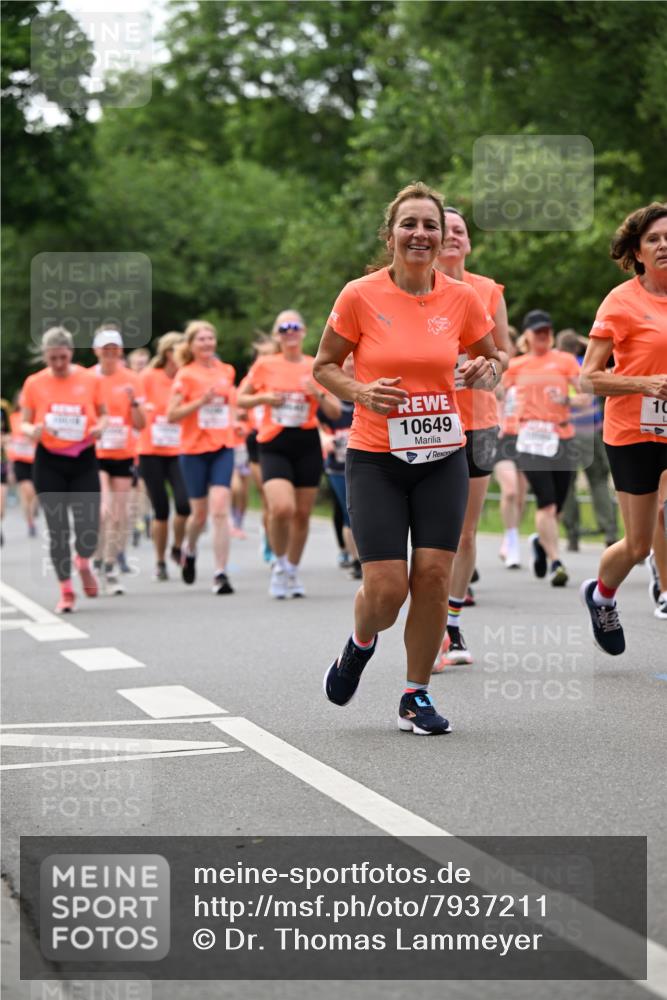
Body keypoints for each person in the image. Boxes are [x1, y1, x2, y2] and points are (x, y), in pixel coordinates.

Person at [313, 181, 501, 734]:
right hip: (377, 457)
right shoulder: (359, 295)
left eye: (430, 225)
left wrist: (483, 370)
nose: (421, 234)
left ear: (443, 237)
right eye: (409, 224)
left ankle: (414, 694)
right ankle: (360, 641)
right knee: (389, 588)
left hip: (443, 451)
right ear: (390, 233)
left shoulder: (463, 298)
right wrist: (361, 392)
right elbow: (323, 365)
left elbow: (495, 358)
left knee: (435, 574)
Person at [580, 202, 667, 653]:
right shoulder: (621, 302)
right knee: (636, 546)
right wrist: (645, 383)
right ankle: (601, 595)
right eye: (653, 239)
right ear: (636, 251)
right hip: (633, 431)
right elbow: (589, 377)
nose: (664, 245)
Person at [432, 207, 512, 668]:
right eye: (447, 231)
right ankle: (428, 616)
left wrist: (490, 368)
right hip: (428, 421)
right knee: (431, 532)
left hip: (479, 422)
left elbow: (504, 353)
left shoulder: (487, 291)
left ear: (468, 242)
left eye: (460, 231)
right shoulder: (417, 292)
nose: (453, 238)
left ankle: (452, 625)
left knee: (464, 533)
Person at [237, 310, 341, 599]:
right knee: (282, 508)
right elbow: (240, 399)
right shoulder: (265, 364)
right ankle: (280, 565)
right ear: (276, 335)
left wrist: (317, 394)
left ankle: (292, 570)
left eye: (294, 326)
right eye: (284, 328)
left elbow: (334, 411)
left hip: (306, 443)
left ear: (304, 331)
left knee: (303, 514)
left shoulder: (314, 365)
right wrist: (262, 398)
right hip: (273, 442)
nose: (289, 332)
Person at [20, 327, 104, 613]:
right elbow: (25, 422)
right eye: (53, 358)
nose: (58, 364)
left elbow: (104, 415)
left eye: (63, 358)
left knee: (89, 527)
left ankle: (83, 561)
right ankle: (66, 590)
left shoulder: (90, 379)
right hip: (50, 460)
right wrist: (34, 430)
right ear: (45, 356)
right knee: (57, 530)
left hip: (83, 457)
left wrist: (99, 428)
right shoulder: (34, 383)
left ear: (71, 353)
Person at [503, 310, 583, 588]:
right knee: (546, 503)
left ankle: (540, 540)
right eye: (537, 332)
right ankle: (555, 561)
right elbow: (498, 396)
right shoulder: (516, 366)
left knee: (558, 506)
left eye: (547, 331)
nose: (543, 336)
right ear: (526, 335)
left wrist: (569, 400)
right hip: (530, 440)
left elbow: (585, 396)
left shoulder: (565, 360)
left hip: (561, 437)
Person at [167, 319, 237, 594]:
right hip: (193, 451)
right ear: (191, 345)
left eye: (210, 338)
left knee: (219, 509)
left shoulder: (227, 371)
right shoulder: (185, 375)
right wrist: (200, 402)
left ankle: (220, 573)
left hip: (223, 446)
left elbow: (229, 404)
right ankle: (190, 547)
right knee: (198, 516)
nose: (207, 343)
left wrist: (237, 420)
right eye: (201, 339)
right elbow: (172, 415)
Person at [92, 327, 146, 595]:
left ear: (120, 351)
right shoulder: (88, 378)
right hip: (95, 452)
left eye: (114, 348)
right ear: (96, 351)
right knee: (104, 510)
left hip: (123, 452)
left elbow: (141, 423)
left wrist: (133, 403)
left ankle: (110, 565)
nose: (110, 353)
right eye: (105, 348)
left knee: (121, 514)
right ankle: (98, 556)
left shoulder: (132, 380)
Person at [556, 328, 617, 550]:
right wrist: (583, 342)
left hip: (564, 431)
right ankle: (609, 532)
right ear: (578, 346)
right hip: (589, 431)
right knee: (598, 481)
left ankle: (572, 536)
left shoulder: (557, 367)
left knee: (568, 485)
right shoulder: (588, 363)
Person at [137, 332, 191, 580]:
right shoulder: (149, 377)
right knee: (161, 510)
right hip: (151, 451)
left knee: (183, 504)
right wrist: (144, 408)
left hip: (179, 449)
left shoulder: (186, 376)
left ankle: (177, 547)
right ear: (169, 352)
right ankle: (159, 562)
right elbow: (136, 405)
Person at [318, 354, 361, 578]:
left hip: (365, 461)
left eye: (356, 360)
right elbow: (315, 421)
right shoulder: (331, 397)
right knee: (349, 512)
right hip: (337, 464)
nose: (352, 365)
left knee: (364, 512)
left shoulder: (369, 391)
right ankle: (356, 560)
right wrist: (323, 437)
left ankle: (363, 557)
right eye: (348, 361)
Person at [6, 392, 37, 536]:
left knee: (34, 493)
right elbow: (8, 440)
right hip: (19, 460)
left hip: (35, 460)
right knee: (26, 491)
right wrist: (9, 465)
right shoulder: (11, 418)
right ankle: (30, 521)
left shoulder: (35, 417)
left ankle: (32, 512)